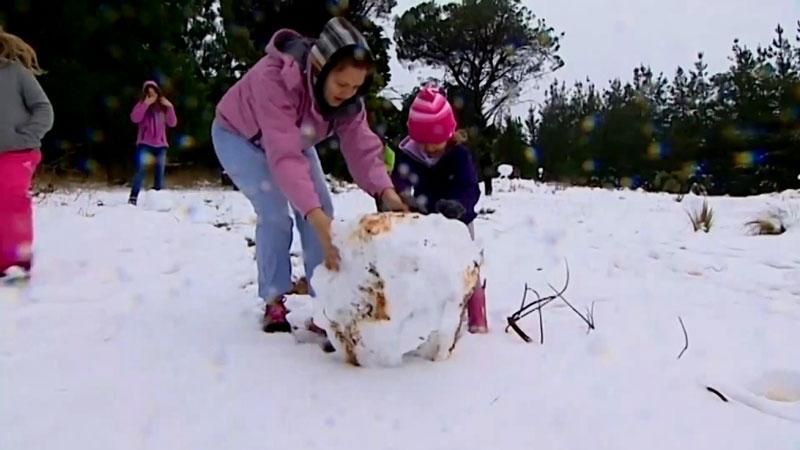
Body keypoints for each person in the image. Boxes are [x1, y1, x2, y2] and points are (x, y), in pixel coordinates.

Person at [211, 17, 408, 333]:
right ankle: (274, 300)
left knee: (322, 210)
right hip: (238, 136)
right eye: (342, 84)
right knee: (275, 213)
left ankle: (325, 304)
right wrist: (318, 221)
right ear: (320, 69)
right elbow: (284, 157)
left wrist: (386, 192)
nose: (348, 93)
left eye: (356, 87)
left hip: (293, 138)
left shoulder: (349, 102)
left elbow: (362, 148)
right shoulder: (273, 80)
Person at [390, 86, 488, 333]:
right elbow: (399, 180)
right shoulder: (409, 155)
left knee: (467, 264)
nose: (431, 148)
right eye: (424, 142)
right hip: (426, 219)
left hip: (459, 220)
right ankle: (430, 312)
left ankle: (477, 311)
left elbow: (470, 187)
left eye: (436, 141)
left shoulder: (459, 155)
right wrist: (399, 197)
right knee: (428, 266)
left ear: (450, 132)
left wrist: (459, 205)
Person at [0, 27, 54, 278]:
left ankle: (16, 262)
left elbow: (44, 109)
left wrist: (27, 136)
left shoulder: (15, 72)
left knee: (12, 201)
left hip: (17, 152)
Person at [128, 80, 177, 205]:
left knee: (159, 173)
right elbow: (135, 118)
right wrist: (145, 104)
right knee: (140, 171)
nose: (152, 95)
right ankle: (133, 197)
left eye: (154, 92)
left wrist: (170, 107)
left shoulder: (163, 108)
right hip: (145, 144)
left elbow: (172, 123)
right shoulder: (141, 105)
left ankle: (157, 200)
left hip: (161, 145)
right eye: (149, 93)